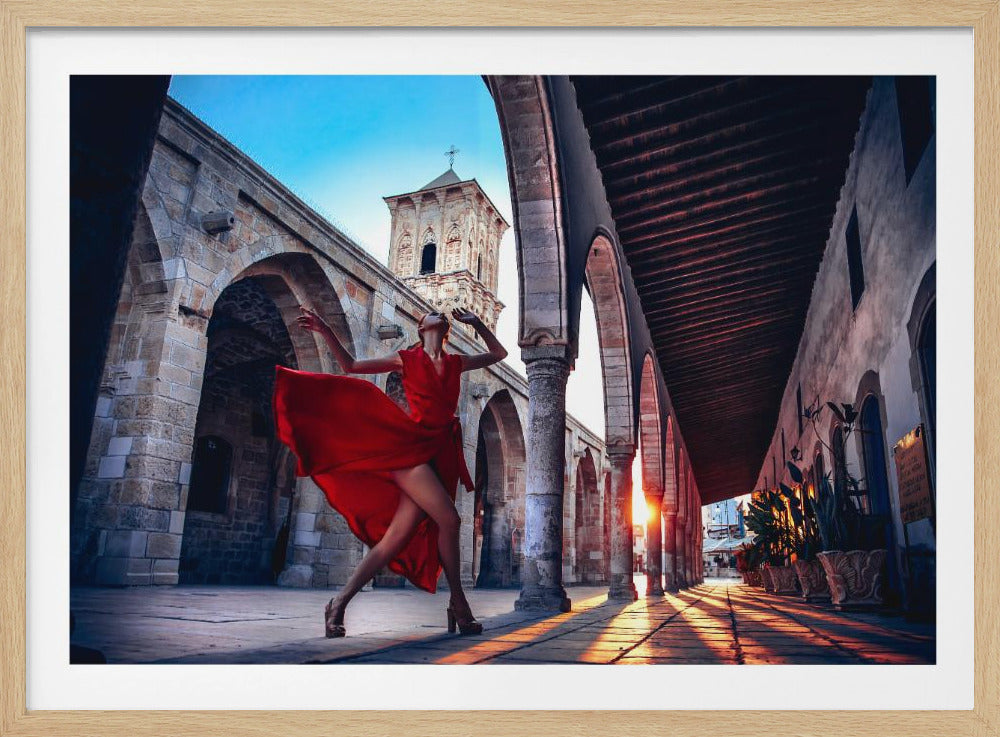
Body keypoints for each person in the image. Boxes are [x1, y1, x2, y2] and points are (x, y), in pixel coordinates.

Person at [271, 305, 507, 638]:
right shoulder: (405, 359)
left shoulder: (457, 363)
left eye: (440, 313)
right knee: (450, 520)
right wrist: (325, 329)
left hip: (442, 452)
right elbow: (351, 365)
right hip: (412, 449)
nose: (437, 312)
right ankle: (458, 603)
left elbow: (499, 353)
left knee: (393, 540)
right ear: (421, 326)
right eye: (430, 314)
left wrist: (478, 323)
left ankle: (338, 603)